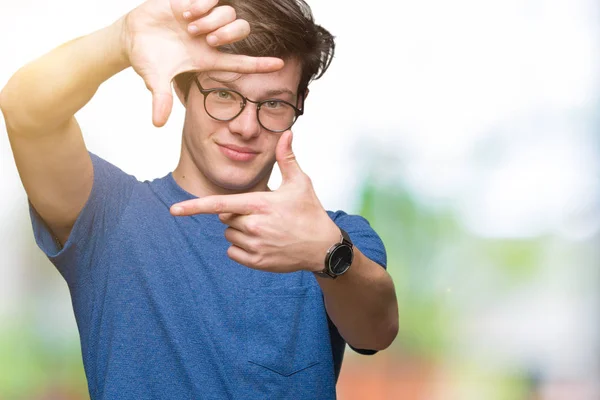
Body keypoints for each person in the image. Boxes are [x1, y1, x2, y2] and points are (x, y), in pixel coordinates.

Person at [0, 0, 399, 398]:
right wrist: (118, 41)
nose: (245, 126)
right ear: (183, 85)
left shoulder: (334, 237)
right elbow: (25, 111)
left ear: (299, 104)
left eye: (274, 104)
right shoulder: (107, 215)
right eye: (224, 94)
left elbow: (378, 331)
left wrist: (328, 255)